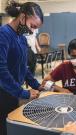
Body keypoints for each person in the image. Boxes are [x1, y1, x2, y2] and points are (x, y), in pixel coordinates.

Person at [0, 1, 44, 135]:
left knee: (10, 123)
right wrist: (22, 93)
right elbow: (1, 70)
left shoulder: (22, 39)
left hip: (12, 91)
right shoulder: (3, 34)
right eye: (33, 26)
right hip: (2, 91)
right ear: (22, 17)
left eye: (36, 28)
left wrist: (36, 85)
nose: (33, 31)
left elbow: (23, 67)